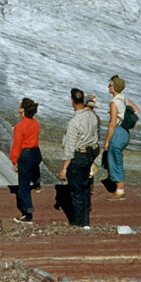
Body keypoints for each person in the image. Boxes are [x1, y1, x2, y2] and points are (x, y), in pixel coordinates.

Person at [59, 88, 100, 228]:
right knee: (85, 188)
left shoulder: (74, 122)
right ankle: (86, 221)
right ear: (83, 100)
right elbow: (95, 138)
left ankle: (77, 222)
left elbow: (69, 149)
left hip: (77, 156)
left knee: (76, 191)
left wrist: (64, 168)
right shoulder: (92, 117)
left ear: (72, 101)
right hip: (89, 154)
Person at [103, 75, 138, 201]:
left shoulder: (114, 103)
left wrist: (107, 140)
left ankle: (120, 191)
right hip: (125, 132)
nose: (109, 86)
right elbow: (136, 109)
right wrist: (124, 116)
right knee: (115, 158)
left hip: (118, 132)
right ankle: (115, 183)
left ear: (115, 87)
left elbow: (112, 124)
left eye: (111, 85)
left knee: (115, 159)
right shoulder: (124, 98)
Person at [9, 97, 41, 224]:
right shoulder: (36, 123)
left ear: (23, 110)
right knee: (34, 169)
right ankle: (37, 183)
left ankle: (28, 214)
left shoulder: (20, 126)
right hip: (36, 152)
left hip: (26, 154)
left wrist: (14, 159)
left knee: (23, 187)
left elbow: (17, 145)